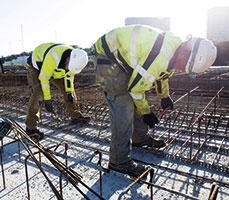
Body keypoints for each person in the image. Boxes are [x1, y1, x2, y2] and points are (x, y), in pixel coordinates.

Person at [92, 25, 217, 176]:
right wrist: (146, 113)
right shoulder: (161, 55)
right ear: (185, 53)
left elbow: (163, 73)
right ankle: (118, 161)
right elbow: (136, 90)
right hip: (105, 57)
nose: (183, 70)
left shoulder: (175, 47)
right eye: (186, 66)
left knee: (136, 99)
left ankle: (138, 138)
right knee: (123, 104)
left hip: (121, 59)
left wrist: (164, 96)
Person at [25, 42, 90, 141]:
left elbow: (69, 79)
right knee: (39, 93)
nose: (70, 69)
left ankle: (75, 116)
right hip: (36, 67)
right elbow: (44, 79)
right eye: (69, 67)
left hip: (55, 71)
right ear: (68, 59)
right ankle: (31, 129)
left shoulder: (74, 61)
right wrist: (47, 100)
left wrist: (69, 93)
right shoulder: (53, 57)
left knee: (68, 91)